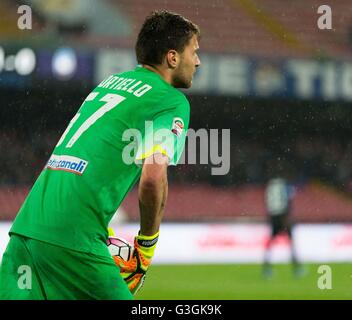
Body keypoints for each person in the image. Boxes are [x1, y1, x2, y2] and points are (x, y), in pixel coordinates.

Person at [0, 10, 201, 299]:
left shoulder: (110, 83)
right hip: (73, 240)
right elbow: (153, 177)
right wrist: (146, 246)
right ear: (172, 57)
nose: (198, 61)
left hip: (26, 232)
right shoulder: (169, 101)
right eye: (193, 52)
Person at [262, 175, 303, 278]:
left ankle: (267, 268)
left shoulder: (270, 186)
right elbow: (288, 201)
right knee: (291, 243)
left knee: (271, 243)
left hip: (274, 217)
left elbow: (268, 203)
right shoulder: (284, 186)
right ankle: (297, 268)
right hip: (283, 217)